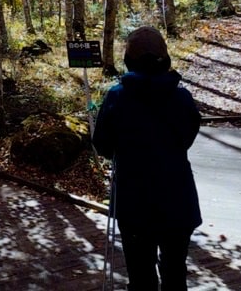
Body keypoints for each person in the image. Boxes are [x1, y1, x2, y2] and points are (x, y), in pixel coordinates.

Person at [92, 26, 202, 291]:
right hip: (178, 199)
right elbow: (188, 136)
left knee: (141, 276)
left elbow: (103, 144)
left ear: (128, 59)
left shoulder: (117, 97)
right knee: (175, 273)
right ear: (165, 58)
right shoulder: (182, 97)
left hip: (134, 202)